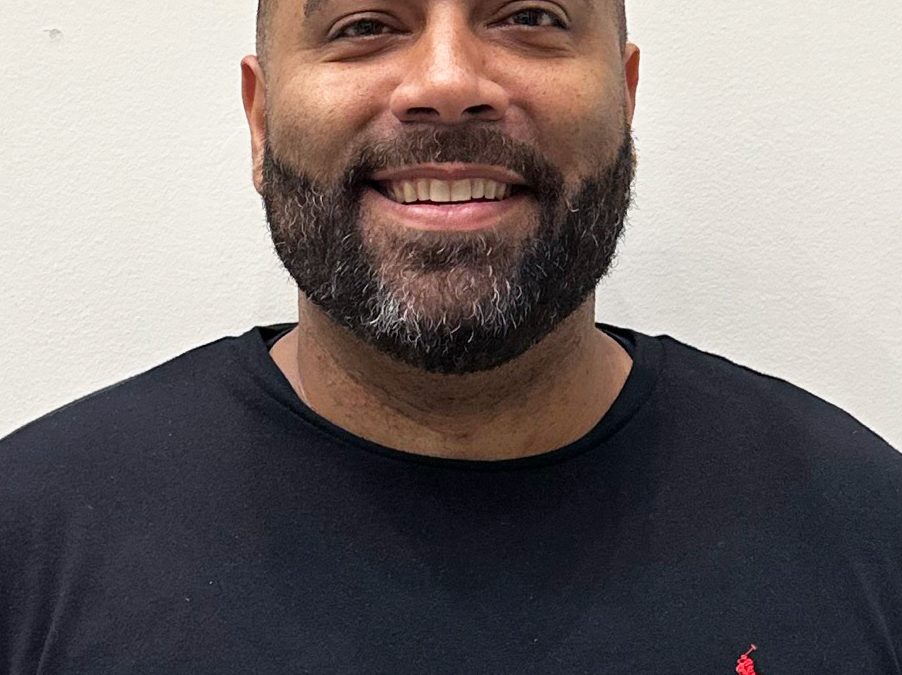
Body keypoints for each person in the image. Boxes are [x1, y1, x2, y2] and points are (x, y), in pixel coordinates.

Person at [1, 0, 899, 672]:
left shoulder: (867, 531)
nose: (447, 84)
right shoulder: (31, 539)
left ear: (626, 98)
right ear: (261, 118)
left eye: (530, 16)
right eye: (364, 24)